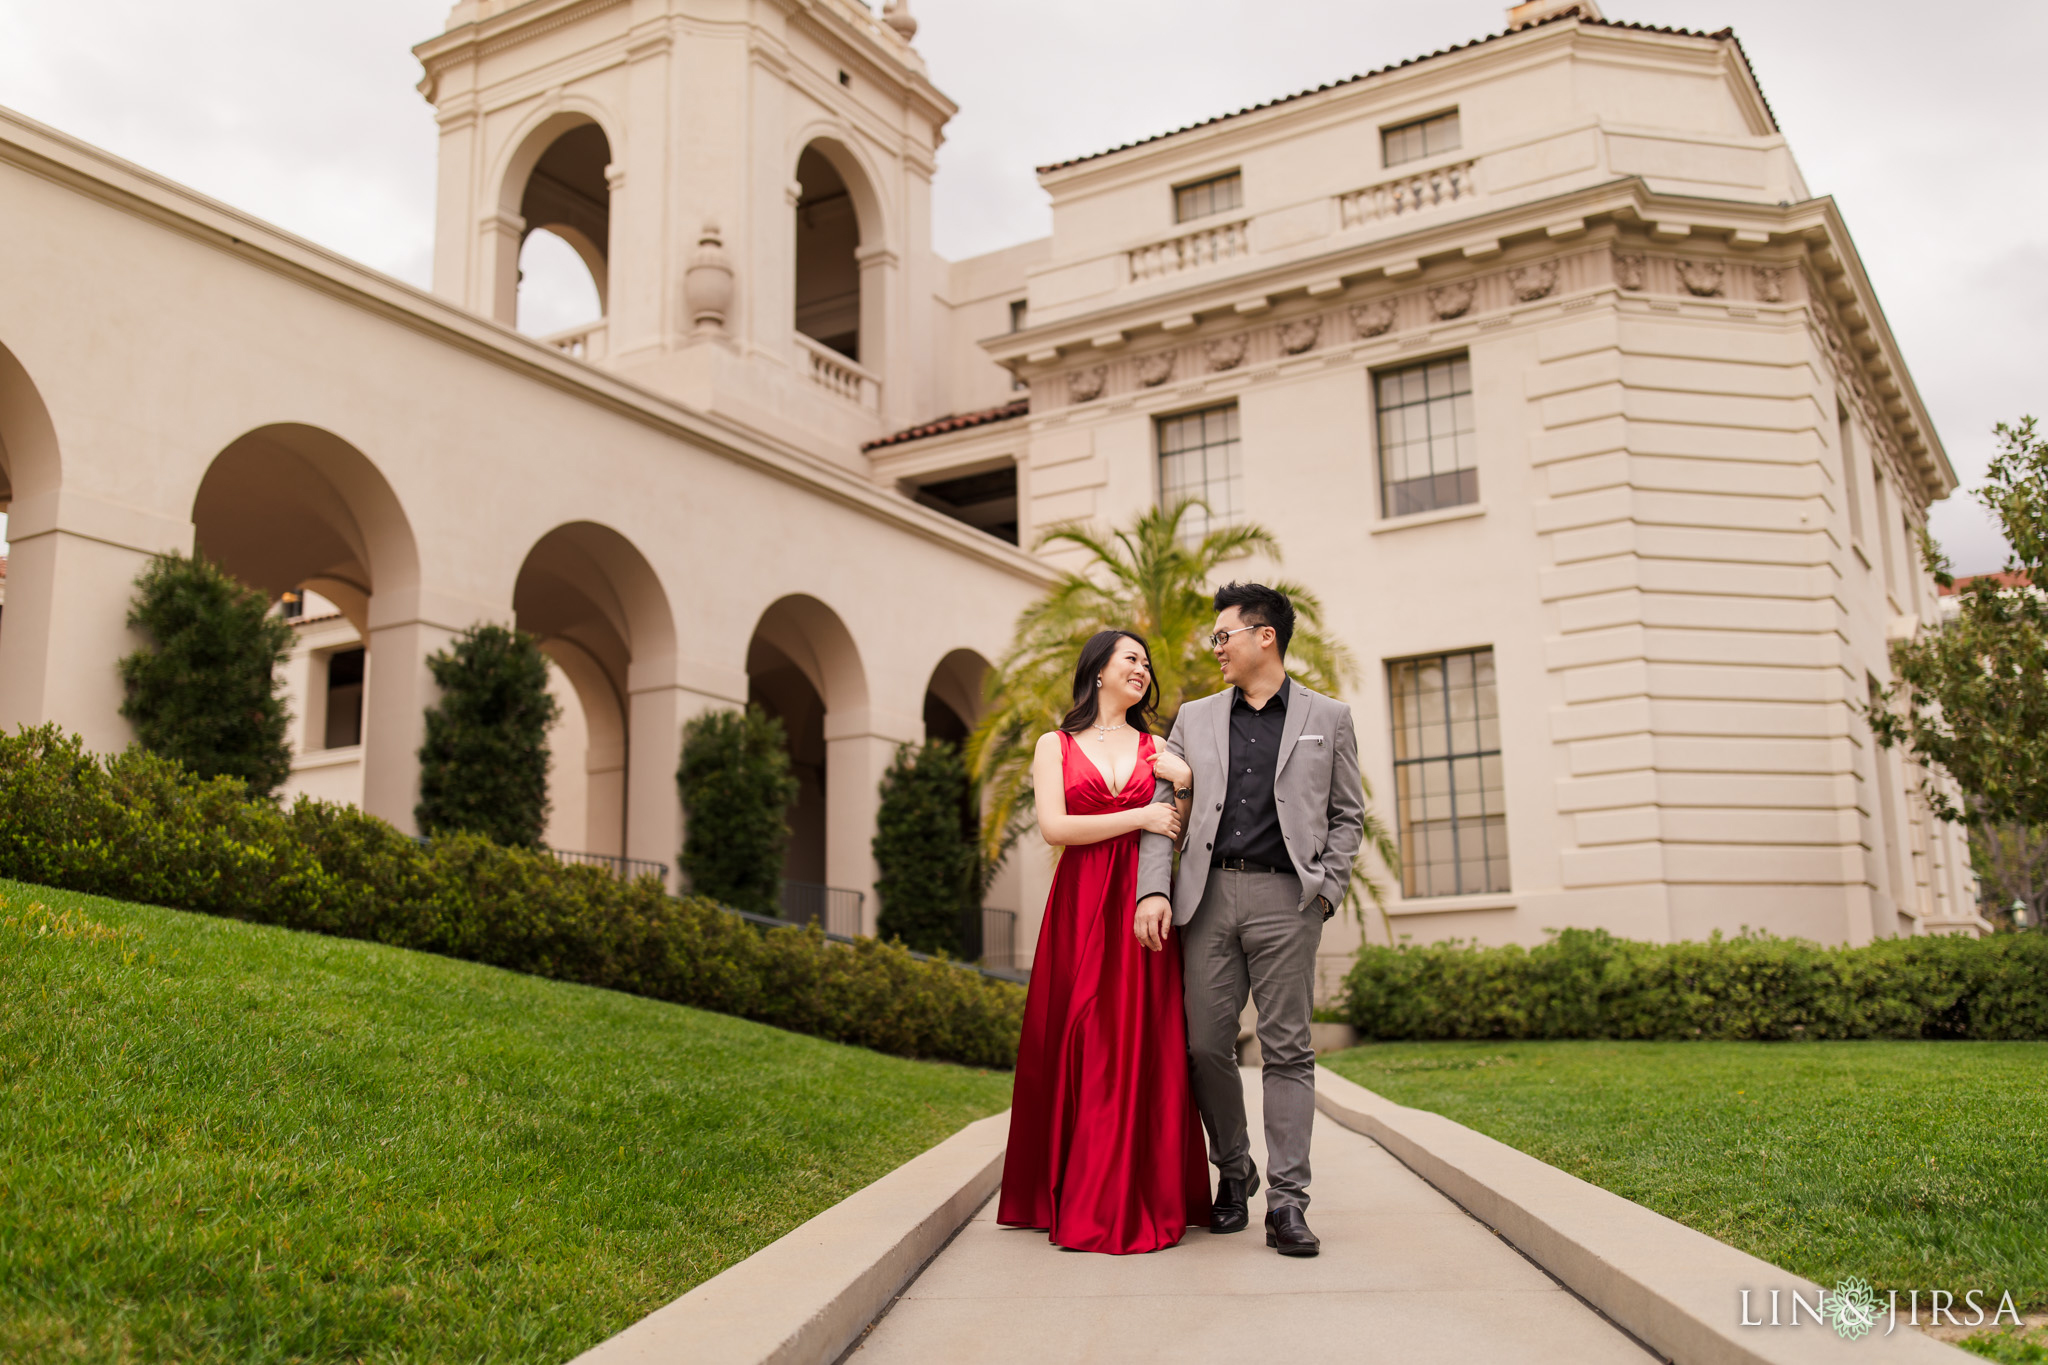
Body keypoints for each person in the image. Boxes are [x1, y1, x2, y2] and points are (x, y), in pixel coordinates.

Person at [1135, 582, 1365, 1257]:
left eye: (1223, 635)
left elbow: (1349, 815)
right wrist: (1155, 890)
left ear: (1265, 635)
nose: (1217, 649)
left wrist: (1326, 888)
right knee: (1204, 1045)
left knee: (1288, 1050)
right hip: (1204, 899)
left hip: (1288, 901)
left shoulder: (1331, 716)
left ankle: (1288, 1204)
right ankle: (1233, 1169)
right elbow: (1163, 810)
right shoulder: (1194, 718)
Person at [996, 629, 1213, 1254]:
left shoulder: (1161, 748)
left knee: (1139, 1038)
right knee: (1081, 1030)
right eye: (1131, 659)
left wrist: (1188, 785)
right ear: (1098, 671)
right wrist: (1139, 815)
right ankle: (1070, 1191)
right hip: (1082, 901)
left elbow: (1186, 831)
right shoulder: (1053, 745)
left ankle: (1138, 1191)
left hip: (1145, 903)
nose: (1143, 669)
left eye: (1147, 662)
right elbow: (1055, 825)